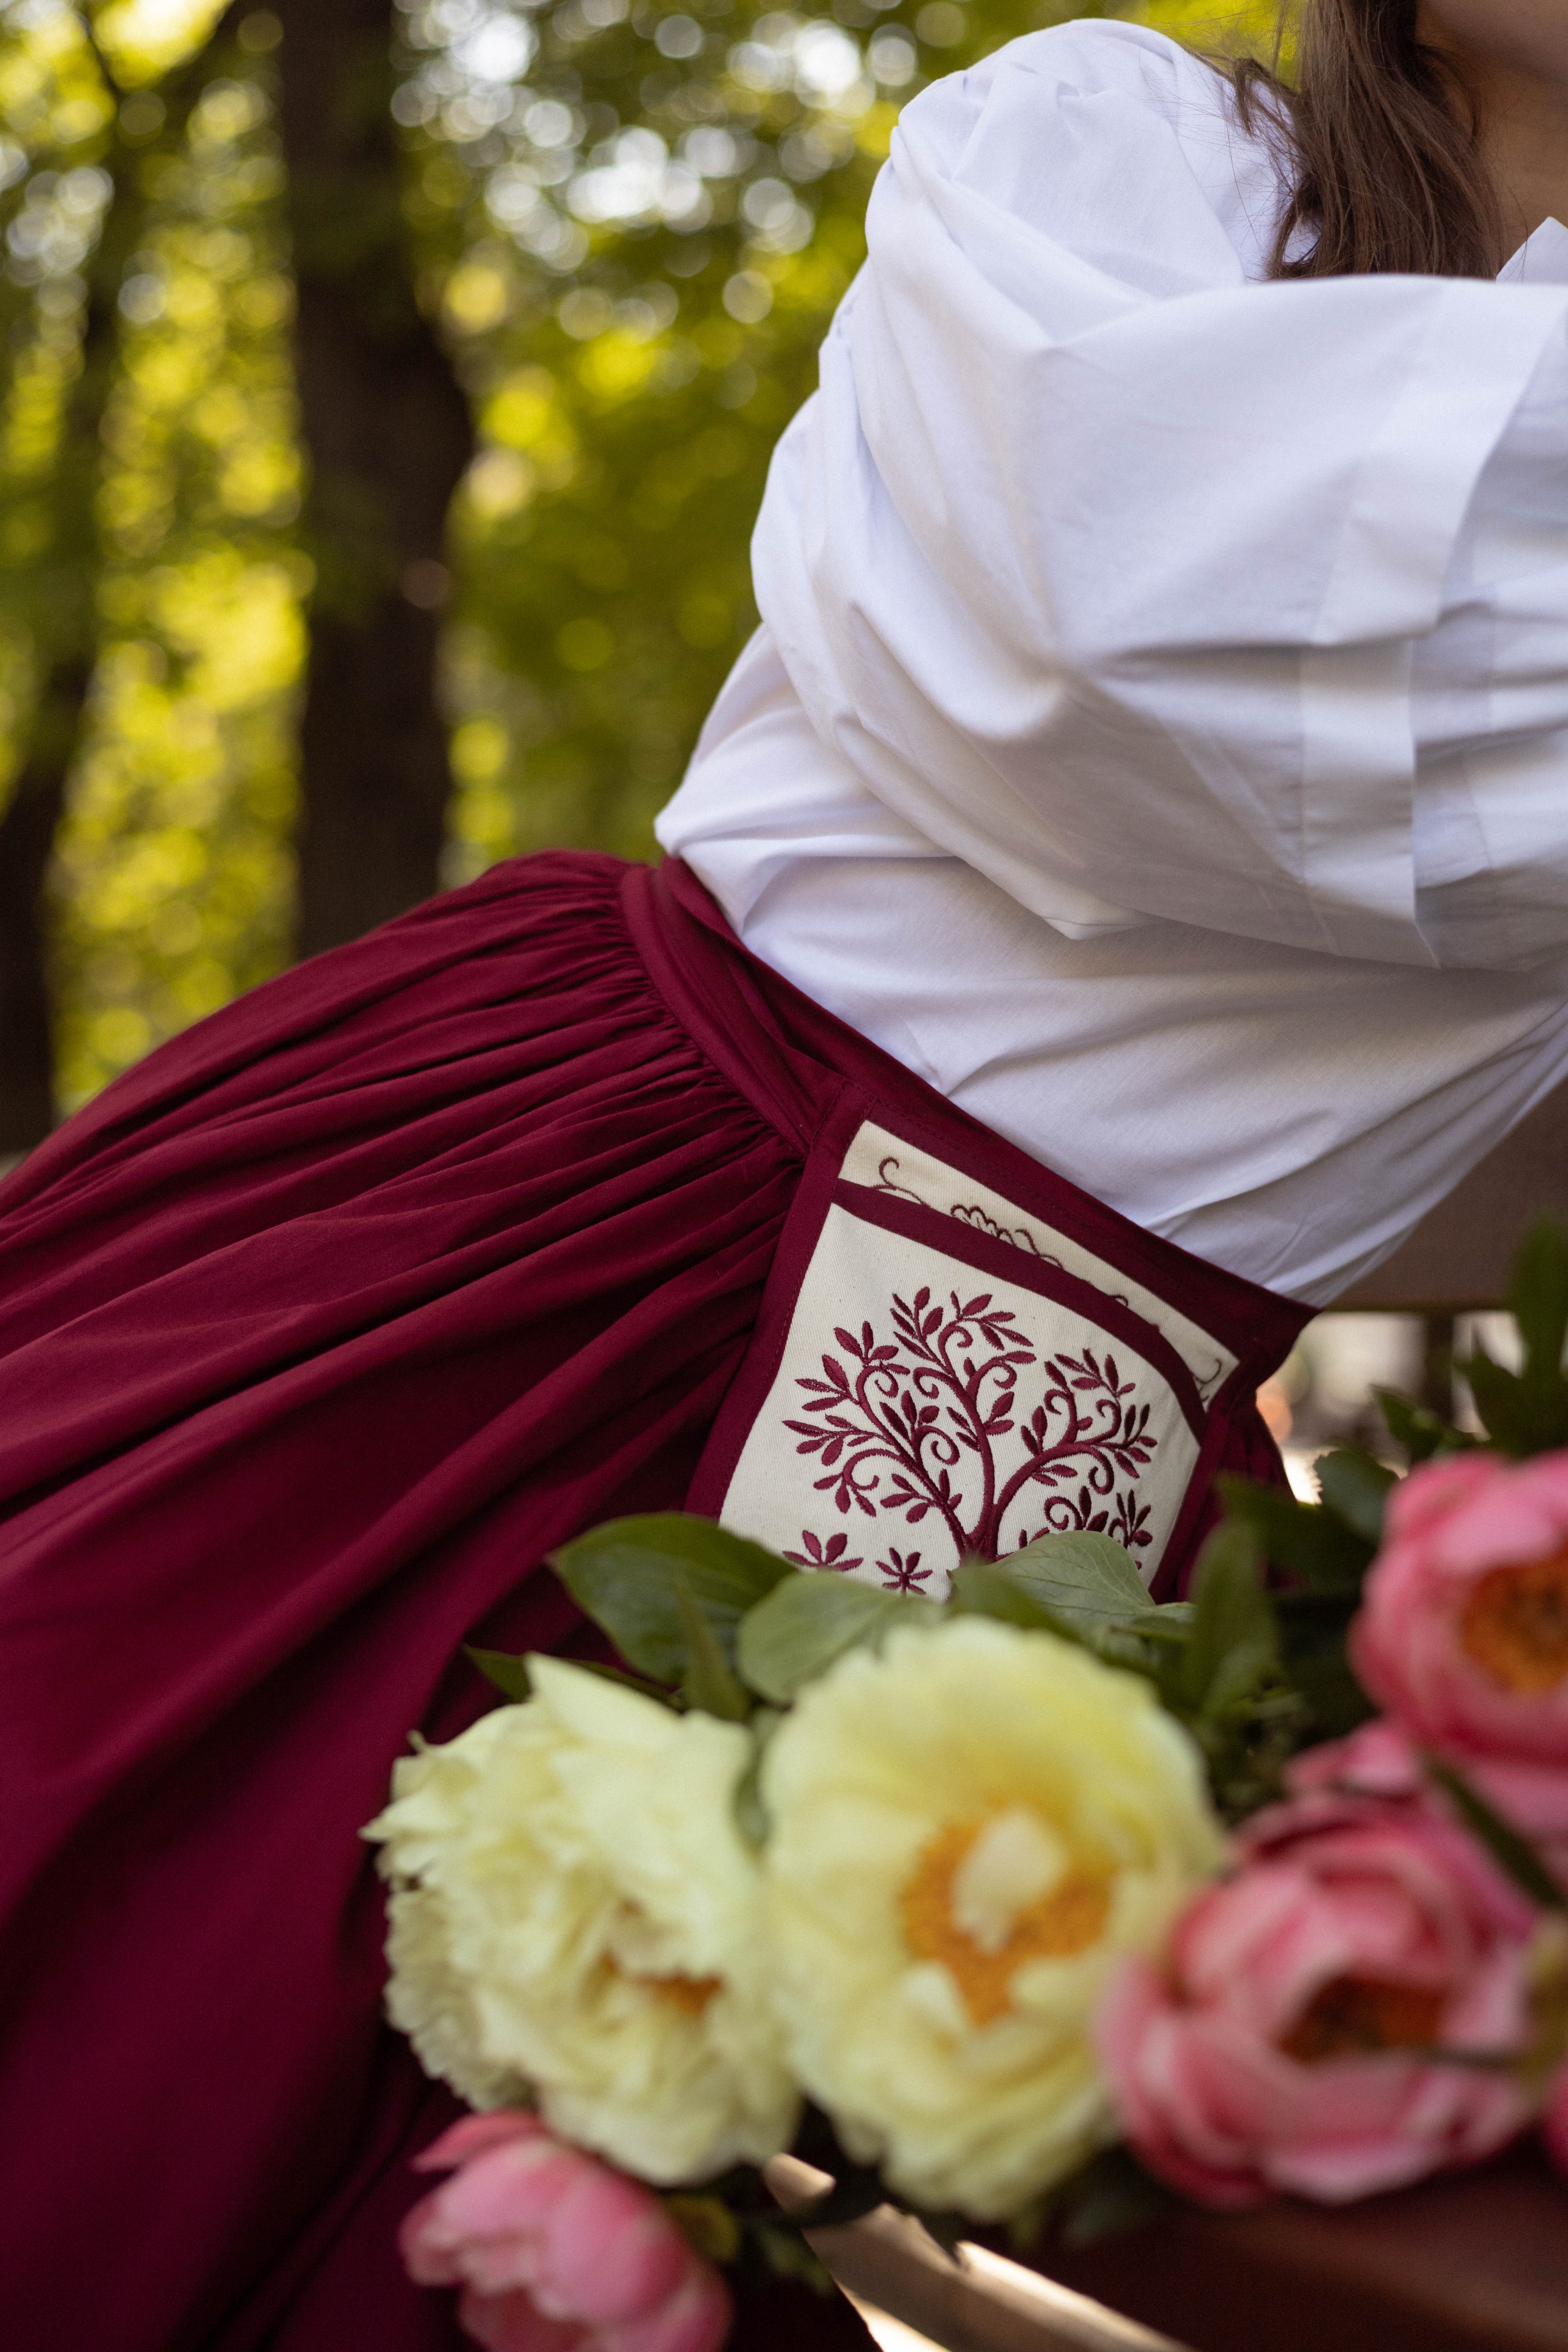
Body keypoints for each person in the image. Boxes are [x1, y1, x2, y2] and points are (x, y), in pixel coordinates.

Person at [3, 2, 1568, 2344]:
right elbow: (1122, 637)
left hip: (1050, 1484)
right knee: (99, 1925)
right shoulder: (1117, 152)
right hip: (550, 1197)